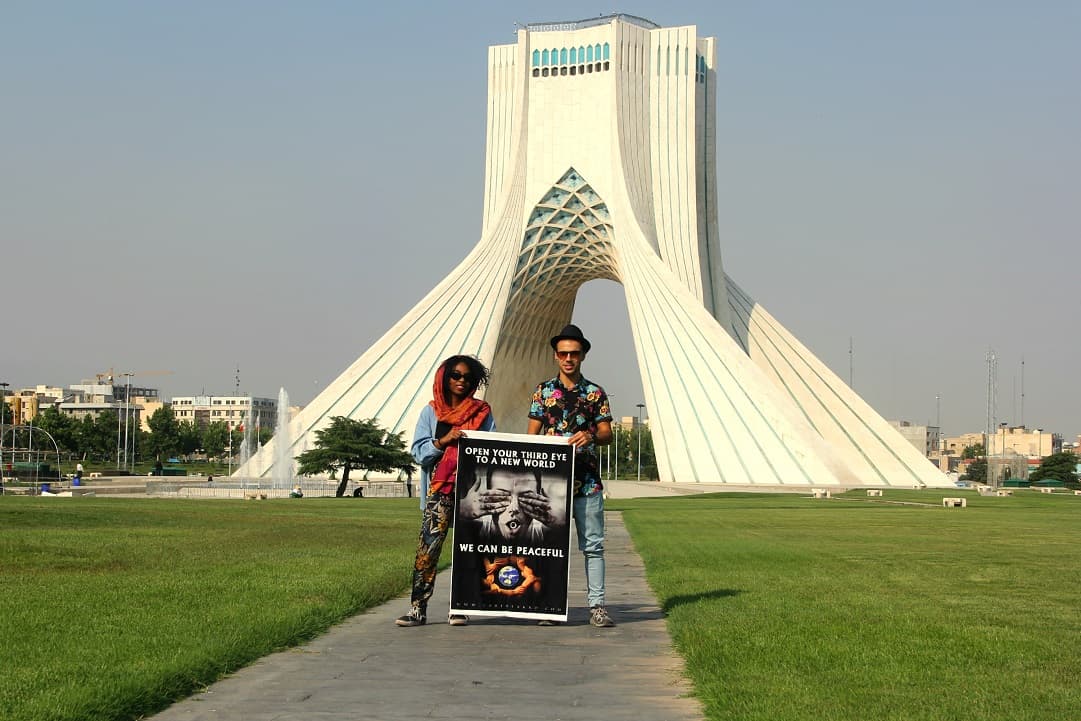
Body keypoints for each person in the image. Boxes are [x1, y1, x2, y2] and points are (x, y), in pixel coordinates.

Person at [396, 355, 495, 628]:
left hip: (471, 492)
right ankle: (418, 608)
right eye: (455, 375)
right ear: (444, 377)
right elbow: (419, 453)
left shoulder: (482, 412)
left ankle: (460, 607)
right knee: (429, 548)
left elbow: (492, 450)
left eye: (467, 377)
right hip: (439, 491)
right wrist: (443, 441)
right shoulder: (431, 413)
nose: (461, 381)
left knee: (467, 549)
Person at [527, 324, 615, 628]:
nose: (568, 359)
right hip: (550, 485)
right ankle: (550, 605)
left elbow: (607, 433)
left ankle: (597, 606)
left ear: (583, 355)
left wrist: (590, 435)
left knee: (593, 546)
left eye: (574, 354)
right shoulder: (543, 391)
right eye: (563, 353)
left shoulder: (595, 393)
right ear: (555, 356)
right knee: (551, 545)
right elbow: (531, 436)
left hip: (586, 483)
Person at [461, 465, 566, 544]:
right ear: (487, 496)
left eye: (526, 498)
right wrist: (461, 510)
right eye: (502, 496)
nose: (514, 508)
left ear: (539, 498)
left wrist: (563, 520)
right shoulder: (474, 528)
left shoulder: (548, 533)